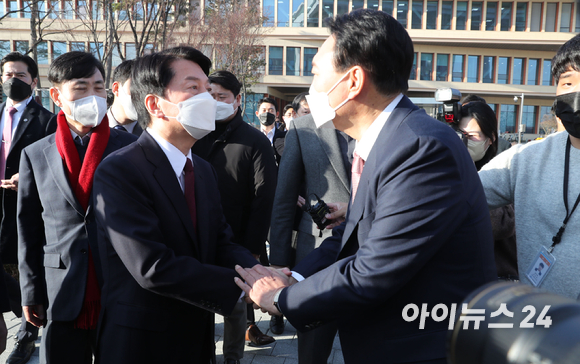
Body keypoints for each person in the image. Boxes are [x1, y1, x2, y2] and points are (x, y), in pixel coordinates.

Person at [235, 10, 496, 364]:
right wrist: (293, 275)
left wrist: (279, 299)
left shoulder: (421, 147)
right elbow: (351, 237)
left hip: (424, 349)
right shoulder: (387, 140)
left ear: (354, 80)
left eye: (315, 72)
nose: (310, 89)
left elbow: (374, 269)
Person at [93, 47, 259, 364]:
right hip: (141, 343)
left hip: (195, 338)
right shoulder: (120, 170)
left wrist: (257, 274)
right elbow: (152, 267)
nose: (208, 100)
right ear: (155, 104)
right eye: (194, 88)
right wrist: (244, 288)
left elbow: (220, 240)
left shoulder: (204, 170)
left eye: (208, 90)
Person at [17, 51, 137, 364]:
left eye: (99, 88)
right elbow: (28, 230)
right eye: (81, 89)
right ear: (57, 95)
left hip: (121, 289)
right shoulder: (36, 154)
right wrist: (30, 292)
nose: (93, 97)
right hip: (63, 291)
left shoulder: (130, 150)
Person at [478, 33, 580, 299]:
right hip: (540, 324)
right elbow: (459, 193)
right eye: (567, 83)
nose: (576, 95)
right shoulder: (527, 158)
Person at [192, 70, 278, 359]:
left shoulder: (255, 140)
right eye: (210, 96)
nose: (215, 102)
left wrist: (253, 247)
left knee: (236, 303)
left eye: (222, 97)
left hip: (239, 237)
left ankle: (233, 355)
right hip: (199, 233)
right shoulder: (194, 133)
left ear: (237, 100)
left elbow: (263, 196)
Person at [268, 93, 353, 363]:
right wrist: (278, 262)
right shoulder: (303, 129)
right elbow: (283, 200)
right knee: (313, 350)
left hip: (372, 253)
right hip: (314, 252)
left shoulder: (384, 129)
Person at [0, 52, 56, 364]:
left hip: (27, 207)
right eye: (8, 74)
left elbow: (51, 165)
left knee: (26, 273)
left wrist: (30, 178)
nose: (13, 80)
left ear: (34, 81)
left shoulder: (46, 121)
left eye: (20, 75)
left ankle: (25, 337)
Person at [458, 101, 518, 280]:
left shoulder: (505, 171)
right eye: (460, 134)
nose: (464, 141)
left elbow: (503, 224)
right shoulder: (448, 166)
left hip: (496, 281)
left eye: (471, 136)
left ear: (490, 139)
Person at [107, 59, 143, 136]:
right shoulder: (92, 128)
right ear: (116, 88)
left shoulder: (154, 133)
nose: (142, 95)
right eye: (136, 88)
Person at [256, 97, 285, 164]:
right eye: (264, 110)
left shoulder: (285, 137)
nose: (267, 113)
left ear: (277, 114)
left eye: (271, 110)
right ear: (257, 114)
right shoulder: (251, 136)